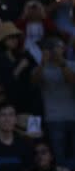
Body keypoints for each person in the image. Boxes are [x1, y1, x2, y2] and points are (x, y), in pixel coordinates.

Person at [31, 36, 75, 164]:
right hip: (53, 118)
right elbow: (33, 81)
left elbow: (72, 81)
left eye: (58, 48)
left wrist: (61, 63)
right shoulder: (41, 68)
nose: (54, 51)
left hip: (72, 115)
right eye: (51, 49)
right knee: (58, 156)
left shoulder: (72, 65)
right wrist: (43, 62)